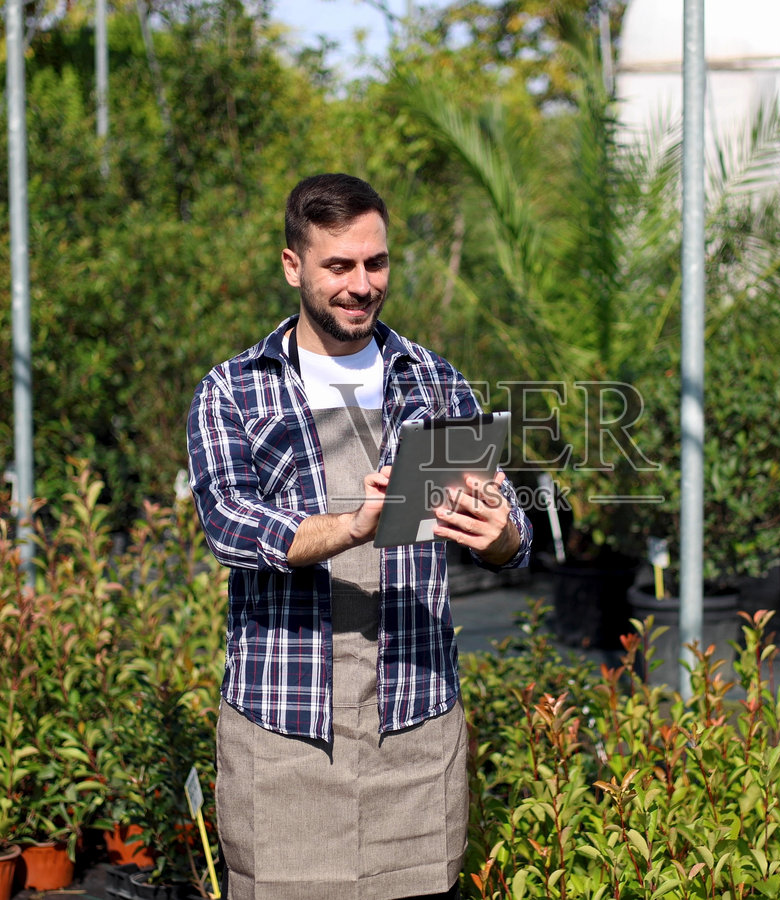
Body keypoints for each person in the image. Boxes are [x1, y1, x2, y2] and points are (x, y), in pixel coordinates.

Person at [186, 173, 532, 900]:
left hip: (413, 718)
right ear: (293, 267)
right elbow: (229, 523)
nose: (361, 284)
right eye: (338, 265)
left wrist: (500, 533)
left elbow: (503, 531)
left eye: (375, 263)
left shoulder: (434, 382)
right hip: (286, 726)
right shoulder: (237, 389)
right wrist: (350, 527)